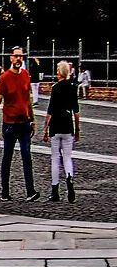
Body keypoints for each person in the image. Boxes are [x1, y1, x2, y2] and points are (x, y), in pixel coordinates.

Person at [0, 46, 38, 201]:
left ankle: (30, 191)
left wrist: (33, 120)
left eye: (21, 56)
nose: (19, 59)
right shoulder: (5, 78)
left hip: (24, 123)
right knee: (7, 158)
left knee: (27, 157)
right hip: (10, 124)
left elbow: (28, 100)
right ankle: (5, 192)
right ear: (11, 58)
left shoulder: (26, 75)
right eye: (16, 56)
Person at [48, 61, 81, 203]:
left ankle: (55, 191)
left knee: (55, 158)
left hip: (55, 125)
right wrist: (77, 129)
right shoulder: (73, 88)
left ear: (59, 73)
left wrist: (45, 128)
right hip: (68, 126)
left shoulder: (55, 88)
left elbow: (50, 110)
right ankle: (69, 177)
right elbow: (76, 111)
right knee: (67, 157)